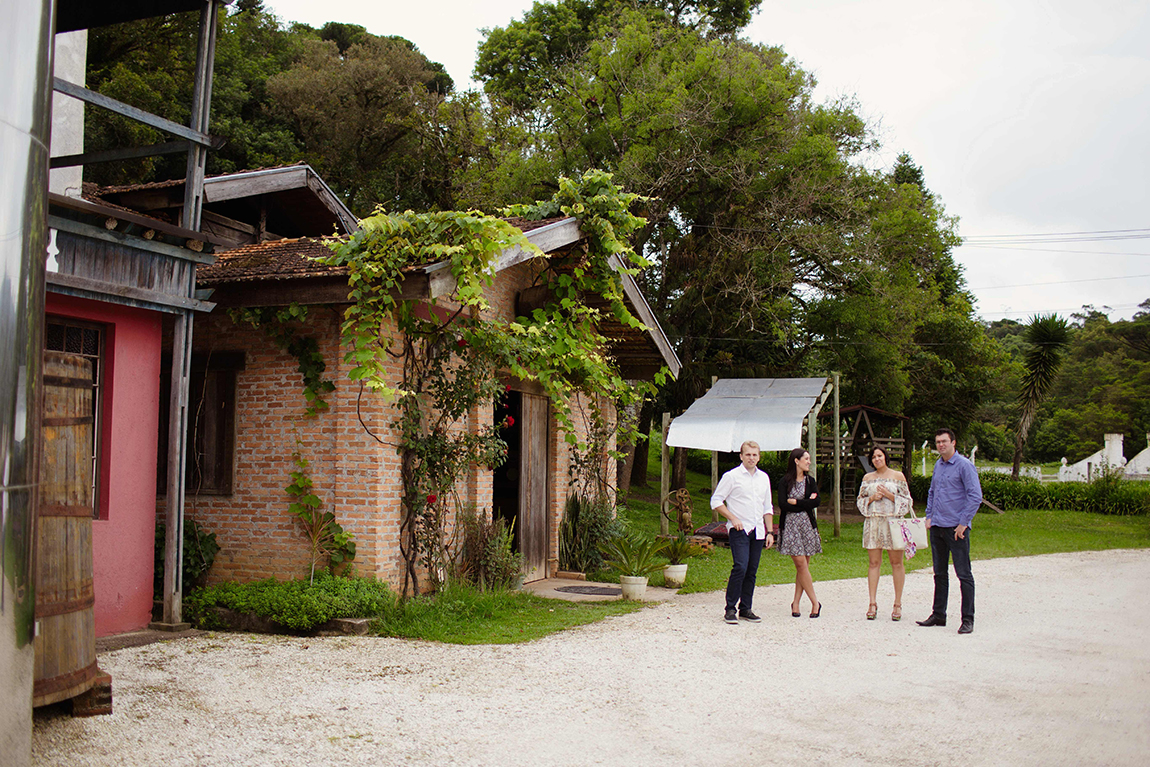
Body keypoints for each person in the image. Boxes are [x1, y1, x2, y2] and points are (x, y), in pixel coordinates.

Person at [917, 428, 982, 635]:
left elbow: (975, 496)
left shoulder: (964, 466)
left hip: (956, 529)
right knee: (939, 573)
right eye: (937, 442)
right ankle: (938, 614)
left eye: (944, 441)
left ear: (953, 442)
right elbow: (932, 492)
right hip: (937, 527)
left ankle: (967, 619)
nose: (941, 445)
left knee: (963, 574)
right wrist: (929, 516)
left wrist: (964, 523)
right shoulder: (939, 465)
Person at [711, 440, 775, 624]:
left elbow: (767, 506)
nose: (751, 458)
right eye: (748, 454)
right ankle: (730, 608)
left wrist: (770, 531)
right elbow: (716, 501)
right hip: (739, 529)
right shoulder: (732, 476)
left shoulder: (764, 478)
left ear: (759, 457)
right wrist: (732, 517)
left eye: (755, 455)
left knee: (752, 570)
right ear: (741, 456)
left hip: (758, 530)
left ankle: (746, 608)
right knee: (740, 566)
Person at [856, 446, 913, 621]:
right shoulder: (868, 478)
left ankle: (897, 603)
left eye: (879, 455)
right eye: (873, 457)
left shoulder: (898, 477)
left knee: (896, 563)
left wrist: (889, 495)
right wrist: (872, 498)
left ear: (885, 457)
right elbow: (860, 500)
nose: (877, 459)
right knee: (874, 563)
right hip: (874, 522)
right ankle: (872, 603)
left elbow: (908, 501)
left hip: (893, 522)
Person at [777, 448, 821, 618]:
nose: (809, 462)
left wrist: (797, 501)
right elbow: (783, 504)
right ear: (797, 461)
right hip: (791, 526)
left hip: (807, 526)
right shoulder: (784, 481)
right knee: (801, 565)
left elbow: (816, 501)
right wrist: (805, 503)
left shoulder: (810, 481)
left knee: (804, 568)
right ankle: (815, 602)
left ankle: (795, 602)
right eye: (806, 459)